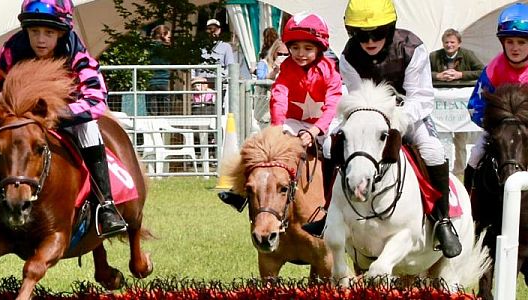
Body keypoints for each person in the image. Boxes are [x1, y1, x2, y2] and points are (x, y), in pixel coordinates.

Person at [0, 0, 128, 238]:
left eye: (49, 32)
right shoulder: (13, 47)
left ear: (62, 32)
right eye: (34, 32)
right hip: (19, 117)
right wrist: (6, 121)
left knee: (89, 128)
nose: (40, 39)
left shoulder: (75, 48)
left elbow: (96, 98)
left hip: (64, 112)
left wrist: (58, 117)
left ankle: (105, 207)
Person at [304, 0, 462, 259]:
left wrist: (395, 120)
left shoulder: (413, 49)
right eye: (361, 34)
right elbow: (356, 97)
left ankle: (442, 220)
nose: (369, 41)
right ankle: (328, 211)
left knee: (433, 150)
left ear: (389, 29)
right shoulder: (348, 56)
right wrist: (371, 119)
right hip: (366, 115)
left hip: (407, 114)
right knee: (330, 145)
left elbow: (421, 97)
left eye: (377, 33)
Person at [220, 13, 341, 212]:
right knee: (258, 143)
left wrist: (314, 131)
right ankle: (240, 192)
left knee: (330, 148)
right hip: (295, 121)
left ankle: (330, 201)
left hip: (325, 123)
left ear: (320, 48)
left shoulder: (330, 71)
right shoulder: (286, 69)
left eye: (308, 48)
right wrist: (276, 131)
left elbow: (332, 107)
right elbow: (279, 98)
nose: (300, 53)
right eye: (295, 48)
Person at [465, 4, 528, 188]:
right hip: (498, 130)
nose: (515, 48)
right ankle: (469, 202)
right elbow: (474, 106)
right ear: (502, 43)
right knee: (475, 157)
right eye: (510, 42)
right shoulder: (493, 70)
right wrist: (495, 125)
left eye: (522, 42)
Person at [147, 24, 174, 116]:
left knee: (152, 110)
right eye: (168, 36)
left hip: (151, 81)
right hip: (164, 80)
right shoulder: (166, 48)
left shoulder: (148, 47)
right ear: (163, 35)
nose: (170, 39)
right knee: (165, 110)